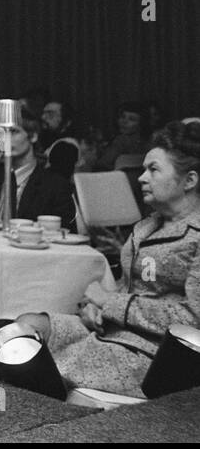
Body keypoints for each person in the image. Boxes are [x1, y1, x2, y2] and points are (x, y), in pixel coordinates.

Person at [15, 121, 200, 397]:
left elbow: (193, 321)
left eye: (153, 170)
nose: (141, 177)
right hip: (114, 330)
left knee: (40, 367)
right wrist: (93, 308)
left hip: (154, 352)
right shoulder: (146, 226)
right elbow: (125, 288)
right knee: (25, 329)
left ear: (189, 181)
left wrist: (110, 303)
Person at [0, 107, 76, 229]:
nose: (4, 138)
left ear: (33, 136)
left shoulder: (55, 186)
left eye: (13, 132)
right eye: (0, 133)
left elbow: (67, 232)